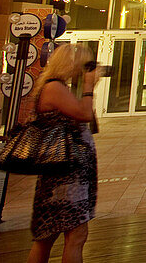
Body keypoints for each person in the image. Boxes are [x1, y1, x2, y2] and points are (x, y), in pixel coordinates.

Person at [25, 43, 100, 263]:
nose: (86, 71)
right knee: (75, 235)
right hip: (65, 178)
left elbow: (87, 121)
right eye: (84, 65)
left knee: (48, 235)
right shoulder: (54, 88)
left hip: (66, 175)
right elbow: (83, 114)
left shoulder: (58, 87)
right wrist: (88, 87)